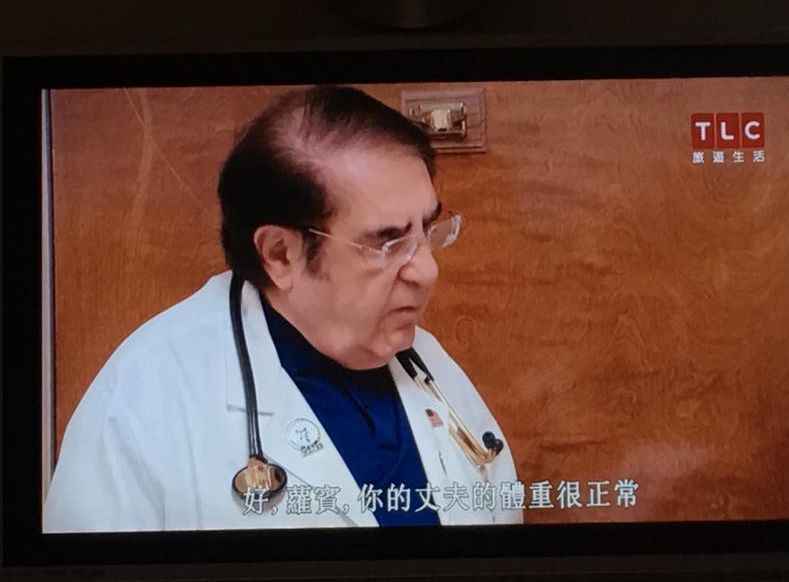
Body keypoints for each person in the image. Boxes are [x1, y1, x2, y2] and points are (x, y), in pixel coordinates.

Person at [44, 86, 521, 532]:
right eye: (388, 242)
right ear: (280, 254)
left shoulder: (428, 364)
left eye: (427, 230)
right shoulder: (143, 402)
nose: (427, 271)